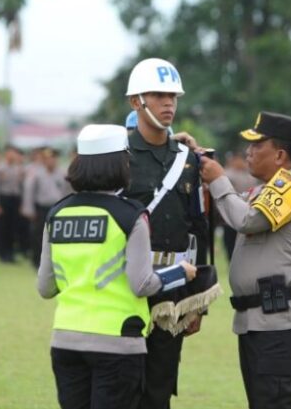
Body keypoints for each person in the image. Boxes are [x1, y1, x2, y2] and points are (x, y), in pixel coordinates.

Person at [37, 124, 197, 409]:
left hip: (66, 340)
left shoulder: (57, 214)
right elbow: (142, 284)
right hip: (117, 342)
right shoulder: (131, 215)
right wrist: (180, 272)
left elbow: (45, 287)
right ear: (120, 164)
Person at [200, 111, 291, 409]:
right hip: (259, 319)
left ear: (279, 155)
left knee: (274, 402)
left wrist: (219, 180)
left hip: (277, 322)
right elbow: (233, 207)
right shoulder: (266, 190)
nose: (248, 152)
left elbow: (247, 220)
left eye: (256, 146)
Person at [122, 57, 209, 409]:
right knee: (123, 384)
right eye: (158, 95)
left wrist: (197, 301)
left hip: (174, 286)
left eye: (173, 96)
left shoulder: (188, 158)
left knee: (160, 386)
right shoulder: (118, 154)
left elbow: (198, 228)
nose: (169, 103)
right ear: (136, 102)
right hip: (127, 284)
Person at [22, 147, 70, 268]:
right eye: (48, 159)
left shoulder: (63, 174)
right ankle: (37, 261)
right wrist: (29, 209)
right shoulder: (36, 174)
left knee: (57, 235)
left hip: (58, 208)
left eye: (53, 158)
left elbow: (67, 192)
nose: (51, 161)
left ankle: (55, 261)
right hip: (41, 208)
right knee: (38, 235)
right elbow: (30, 192)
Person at [0, 145, 25, 263]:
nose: (12, 155)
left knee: (13, 227)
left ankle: (10, 253)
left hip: (15, 199)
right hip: (3, 199)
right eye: (10, 153)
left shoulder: (18, 168)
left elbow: (21, 187)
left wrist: (21, 204)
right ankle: (2, 253)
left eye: (14, 153)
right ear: (6, 154)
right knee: (2, 227)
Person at [222, 152, 259, 260]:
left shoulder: (250, 175)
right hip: (231, 217)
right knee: (231, 250)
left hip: (247, 214)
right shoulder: (228, 174)